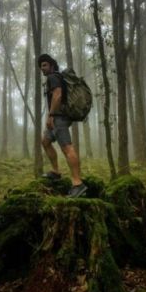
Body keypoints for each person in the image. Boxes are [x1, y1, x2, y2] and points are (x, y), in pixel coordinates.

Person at [38, 53, 86, 198]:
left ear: (52, 65)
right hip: (56, 118)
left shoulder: (53, 77)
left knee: (67, 148)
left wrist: (51, 115)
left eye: (45, 65)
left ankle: (78, 184)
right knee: (45, 142)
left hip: (58, 118)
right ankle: (56, 172)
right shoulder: (55, 77)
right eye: (41, 67)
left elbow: (58, 95)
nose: (42, 69)